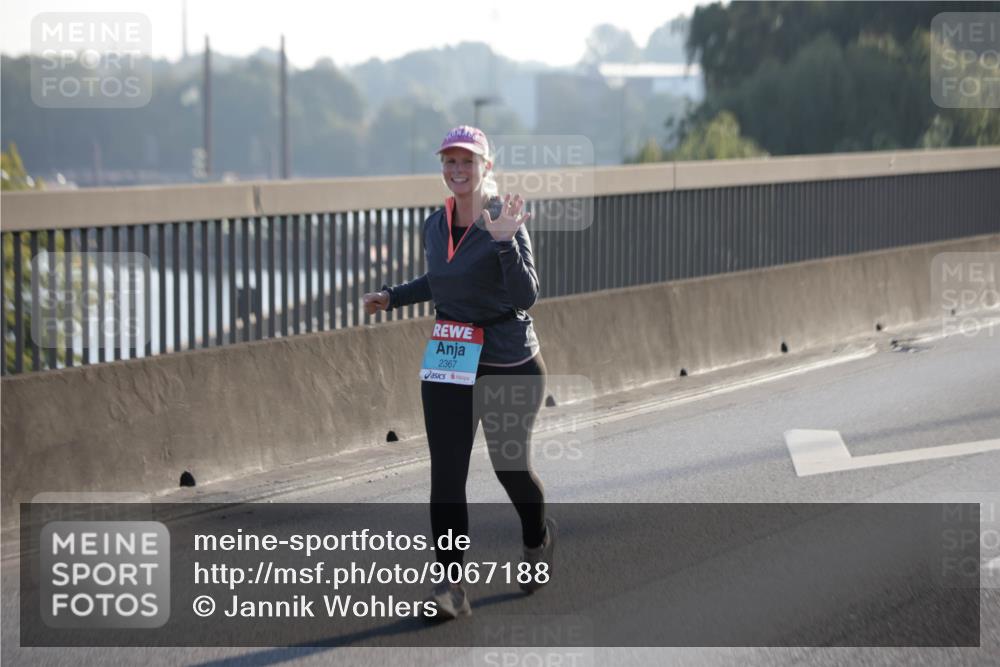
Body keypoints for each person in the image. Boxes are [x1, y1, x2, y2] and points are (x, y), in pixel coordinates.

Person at [362, 125, 556, 621]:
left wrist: (506, 242)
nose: (457, 170)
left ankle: (537, 538)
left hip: (508, 359)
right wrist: (393, 296)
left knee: (510, 469)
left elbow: (525, 295)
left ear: (485, 166)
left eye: (467, 161)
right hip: (452, 353)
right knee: (446, 475)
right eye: (450, 161)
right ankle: (451, 587)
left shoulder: (502, 217)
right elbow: (440, 278)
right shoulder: (434, 223)